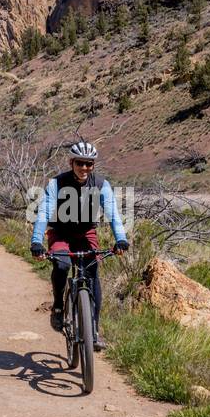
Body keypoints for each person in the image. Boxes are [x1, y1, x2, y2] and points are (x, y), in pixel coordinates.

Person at [30, 140, 129, 351]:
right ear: (71, 162)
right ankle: (58, 306)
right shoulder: (57, 183)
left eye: (89, 164)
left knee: (92, 275)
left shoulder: (101, 185)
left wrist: (120, 238)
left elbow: (113, 215)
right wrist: (36, 241)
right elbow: (44, 213)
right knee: (62, 265)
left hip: (86, 233)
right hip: (60, 233)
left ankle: (93, 330)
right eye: (80, 163)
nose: (84, 168)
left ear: (93, 165)